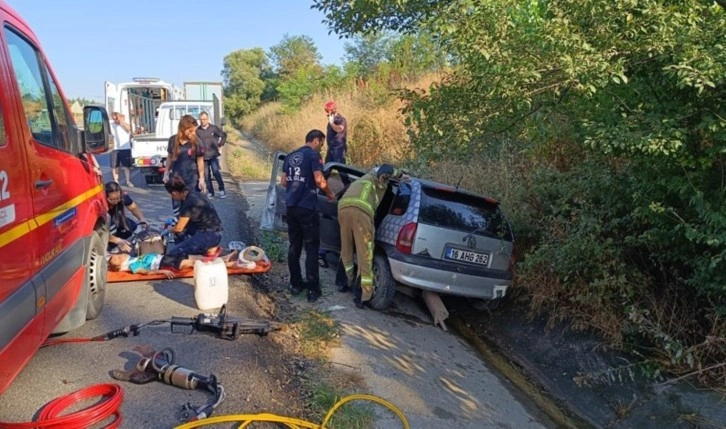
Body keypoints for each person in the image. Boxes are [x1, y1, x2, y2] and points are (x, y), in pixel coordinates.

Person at [338, 164, 403, 309]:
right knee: (365, 255)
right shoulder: (379, 180)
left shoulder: (362, 180)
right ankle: (362, 295)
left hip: (343, 209)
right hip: (361, 214)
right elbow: (387, 169)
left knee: (346, 249)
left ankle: (343, 282)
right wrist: (401, 175)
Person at [280, 129, 335, 302]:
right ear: (317, 141)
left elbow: (283, 182)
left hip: (291, 207)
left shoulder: (290, 156)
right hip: (307, 207)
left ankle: (295, 284)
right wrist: (330, 194)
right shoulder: (313, 156)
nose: (321, 148)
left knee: (294, 246)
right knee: (311, 247)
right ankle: (313, 289)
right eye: (322, 144)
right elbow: (319, 180)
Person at [164, 175, 223, 260]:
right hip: (216, 231)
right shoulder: (195, 194)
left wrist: (168, 230)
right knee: (180, 233)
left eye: (171, 195)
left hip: (208, 235)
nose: (172, 197)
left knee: (174, 253)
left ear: (174, 193)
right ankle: (190, 249)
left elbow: (179, 228)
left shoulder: (188, 203)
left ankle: (200, 255)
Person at [320, 101, 349, 268]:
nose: (327, 114)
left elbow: (340, 130)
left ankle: (346, 187)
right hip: (332, 148)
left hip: (338, 148)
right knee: (327, 170)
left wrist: (331, 121)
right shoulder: (331, 119)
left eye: (328, 112)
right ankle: (321, 188)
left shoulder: (339, 119)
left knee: (340, 169)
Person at [107, 250, 240, 278]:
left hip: (165, 257)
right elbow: (145, 272)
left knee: (198, 257)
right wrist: (162, 271)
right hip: (164, 263)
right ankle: (226, 264)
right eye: (118, 258)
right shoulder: (131, 265)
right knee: (195, 262)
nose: (120, 255)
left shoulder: (131, 259)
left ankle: (224, 258)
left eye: (118, 255)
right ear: (119, 266)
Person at [164, 114, 206, 194]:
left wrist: (201, 179)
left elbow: (200, 161)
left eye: (194, 130)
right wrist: (166, 173)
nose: (193, 133)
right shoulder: (173, 140)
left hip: (192, 182)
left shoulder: (197, 142)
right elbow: (169, 157)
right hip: (176, 181)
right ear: (183, 129)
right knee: (178, 206)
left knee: (191, 205)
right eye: (190, 131)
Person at [105, 181, 147, 253]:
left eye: (117, 198)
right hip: (106, 223)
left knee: (134, 227)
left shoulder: (122, 195)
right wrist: (117, 240)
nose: (115, 202)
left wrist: (142, 219)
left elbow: (133, 207)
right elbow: (101, 232)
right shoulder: (100, 203)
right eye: (111, 199)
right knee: (112, 235)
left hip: (117, 218)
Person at [196, 111, 228, 199]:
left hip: (213, 155)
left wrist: (220, 144)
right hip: (203, 157)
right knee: (206, 175)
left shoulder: (213, 128)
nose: (202, 121)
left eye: (204, 119)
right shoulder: (197, 130)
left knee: (216, 172)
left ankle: (222, 189)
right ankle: (211, 192)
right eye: (201, 119)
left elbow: (224, 135)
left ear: (208, 119)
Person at [110, 112, 133, 187]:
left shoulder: (125, 124)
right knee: (114, 166)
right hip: (115, 148)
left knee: (126, 166)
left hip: (125, 147)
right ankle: (116, 181)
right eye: (114, 118)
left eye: (116, 117)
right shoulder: (111, 125)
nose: (115, 119)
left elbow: (129, 129)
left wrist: (121, 122)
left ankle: (128, 181)